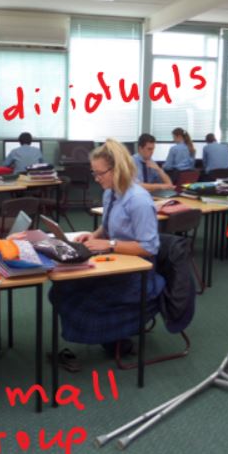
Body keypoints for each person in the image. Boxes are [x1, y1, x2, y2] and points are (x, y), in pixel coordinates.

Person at [49, 139, 166, 364]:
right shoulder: (110, 192)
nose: (96, 178)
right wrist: (94, 235)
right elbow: (108, 226)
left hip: (138, 275)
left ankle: (113, 339)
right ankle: (113, 339)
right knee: (61, 289)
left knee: (82, 299)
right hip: (116, 263)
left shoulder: (139, 201)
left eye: (99, 173)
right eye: (94, 172)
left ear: (117, 169)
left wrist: (110, 244)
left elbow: (149, 248)